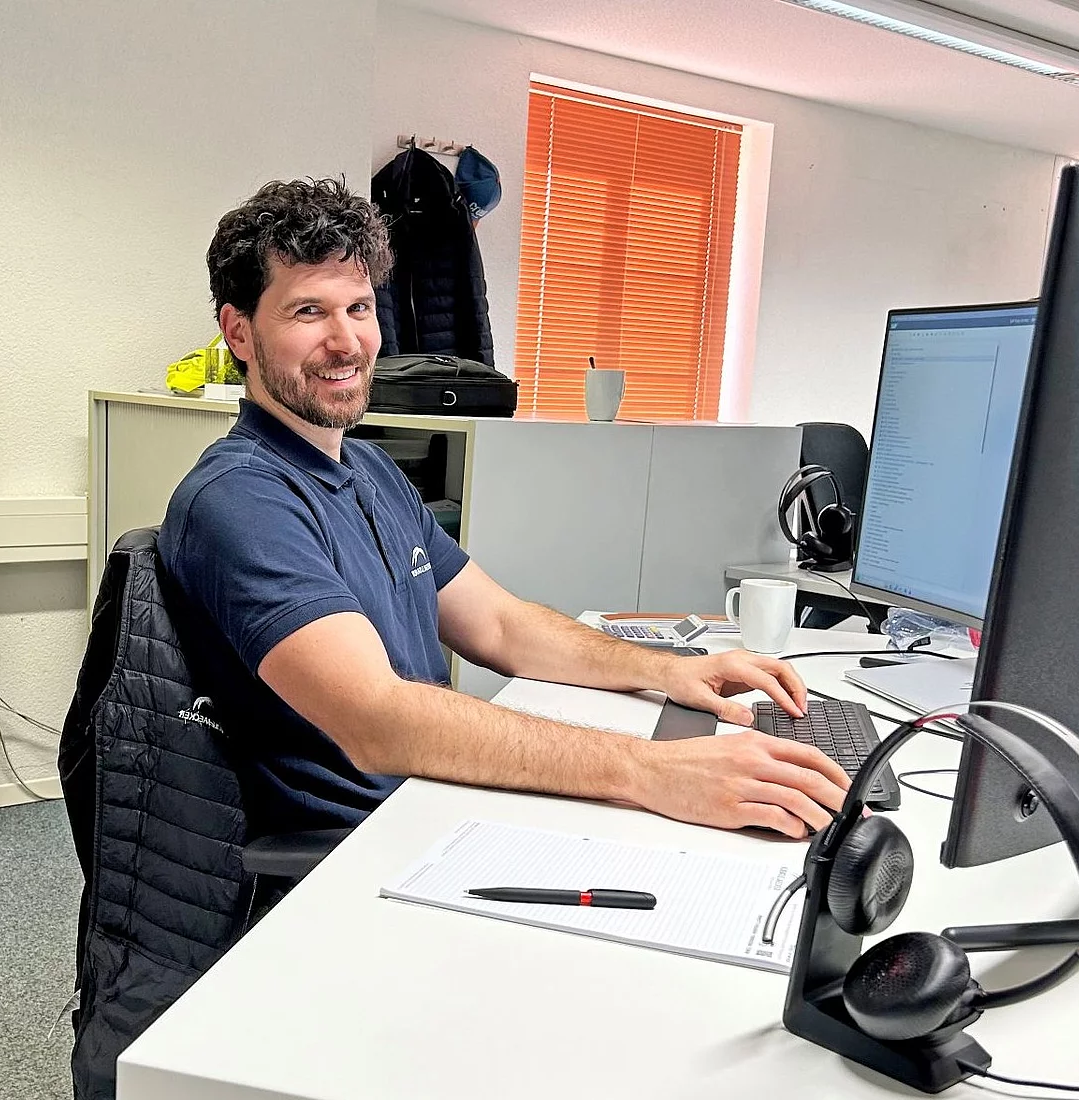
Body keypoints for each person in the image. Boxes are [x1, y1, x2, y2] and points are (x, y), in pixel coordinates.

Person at [158, 177, 850, 843]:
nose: (346, 342)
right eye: (309, 311)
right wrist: (649, 770)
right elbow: (378, 718)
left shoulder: (369, 470)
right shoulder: (241, 498)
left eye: (359, 308)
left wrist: (665, 670)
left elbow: (499, 625)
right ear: (239, 332)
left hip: (434, 799)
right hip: (365, 847)